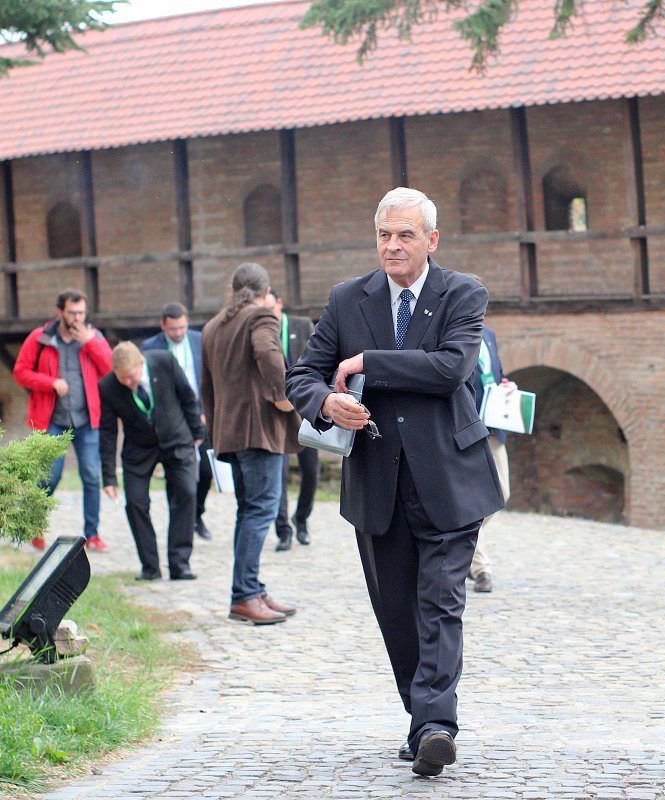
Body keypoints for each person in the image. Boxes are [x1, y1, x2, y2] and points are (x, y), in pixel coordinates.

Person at [287, 187, 505, 778]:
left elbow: (451, 368)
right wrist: (327, 401)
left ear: (431, 240)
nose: (392, 245)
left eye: (405, 234)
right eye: (384, 234)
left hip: (450, 480)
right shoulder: (346, 299)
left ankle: (437, 725)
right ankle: (421, 718)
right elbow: (301, 373)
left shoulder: (462, 293)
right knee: (397, 612)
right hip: (377, 485)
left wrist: (367, 364)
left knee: (440, 602)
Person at [201, 263, 296, 625]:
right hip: (258, 430)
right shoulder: (261, 316)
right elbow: (270, 356)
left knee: (249, 510)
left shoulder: (212, 326)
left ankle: (251, 589)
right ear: (265, 290)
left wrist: (217, 432)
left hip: (229, 431)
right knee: (261, 511)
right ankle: (244, 596)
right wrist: (285, 397)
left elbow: (205, 386)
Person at [13, 288, 112, 552]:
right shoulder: (41, 338)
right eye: (72, 312)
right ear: (60, 312)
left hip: (86, 420)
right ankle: (35, 524)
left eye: (81, 312)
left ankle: (92, 534)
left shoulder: (93, 337)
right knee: (51, 476)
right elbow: (20, 373)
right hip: (52, 420)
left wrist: (91, 342)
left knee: (92, 476)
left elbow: (111, 369)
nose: (78, 317)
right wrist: (50, 382)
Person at [98, 342, 204, 581]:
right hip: (139, 449)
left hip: (176, 438)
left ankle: (180, 563)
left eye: (132, 376)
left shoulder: (164, 361)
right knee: (135, 503)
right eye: (122, 378)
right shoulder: (107, 386)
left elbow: (187, 396)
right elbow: (107, 431)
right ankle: (150, 567)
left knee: (186, 493)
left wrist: (197, 433)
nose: (128, 383)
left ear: (141, 363)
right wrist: (109, 477)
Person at [142, 302, 214, 541]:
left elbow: (209, 376)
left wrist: (206, 410)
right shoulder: (150, 347)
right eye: (173, 329)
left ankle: (196, 514)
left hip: (199, 414)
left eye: (182, 327)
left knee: (205, 471)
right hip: (172, 419)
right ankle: (180, 518)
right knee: (176, 476)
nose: (178, 333)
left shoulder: (199, 339)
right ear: (163, 326)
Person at [465, 321, 515, 593]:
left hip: (494, 425)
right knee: (474, 500)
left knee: (501, 494)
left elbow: (496, 375)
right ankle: (480, 568)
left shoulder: (489, 335)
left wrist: (506, 385)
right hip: (467, 428)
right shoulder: (455, 333)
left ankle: (455, 540)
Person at [269, 292, 320, 552]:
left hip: (305, 409)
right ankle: (283, 530)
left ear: (278, 304)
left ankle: (301, 519)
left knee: (311, 470)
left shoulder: (301, 325)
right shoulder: (259, 330)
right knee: (279, 473)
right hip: (276, 413)